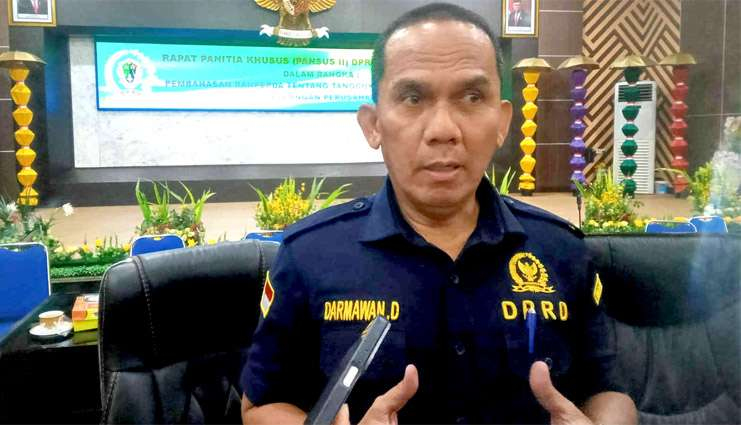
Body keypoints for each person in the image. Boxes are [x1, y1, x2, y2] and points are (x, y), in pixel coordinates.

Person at [241, 3, 637, 424]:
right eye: (413, 98)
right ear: (373, 125)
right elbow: (261, 405)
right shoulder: (309, 256)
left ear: (502, 122)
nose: (443, 130)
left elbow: (610, 392)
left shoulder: (561, 251)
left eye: (472, 97)